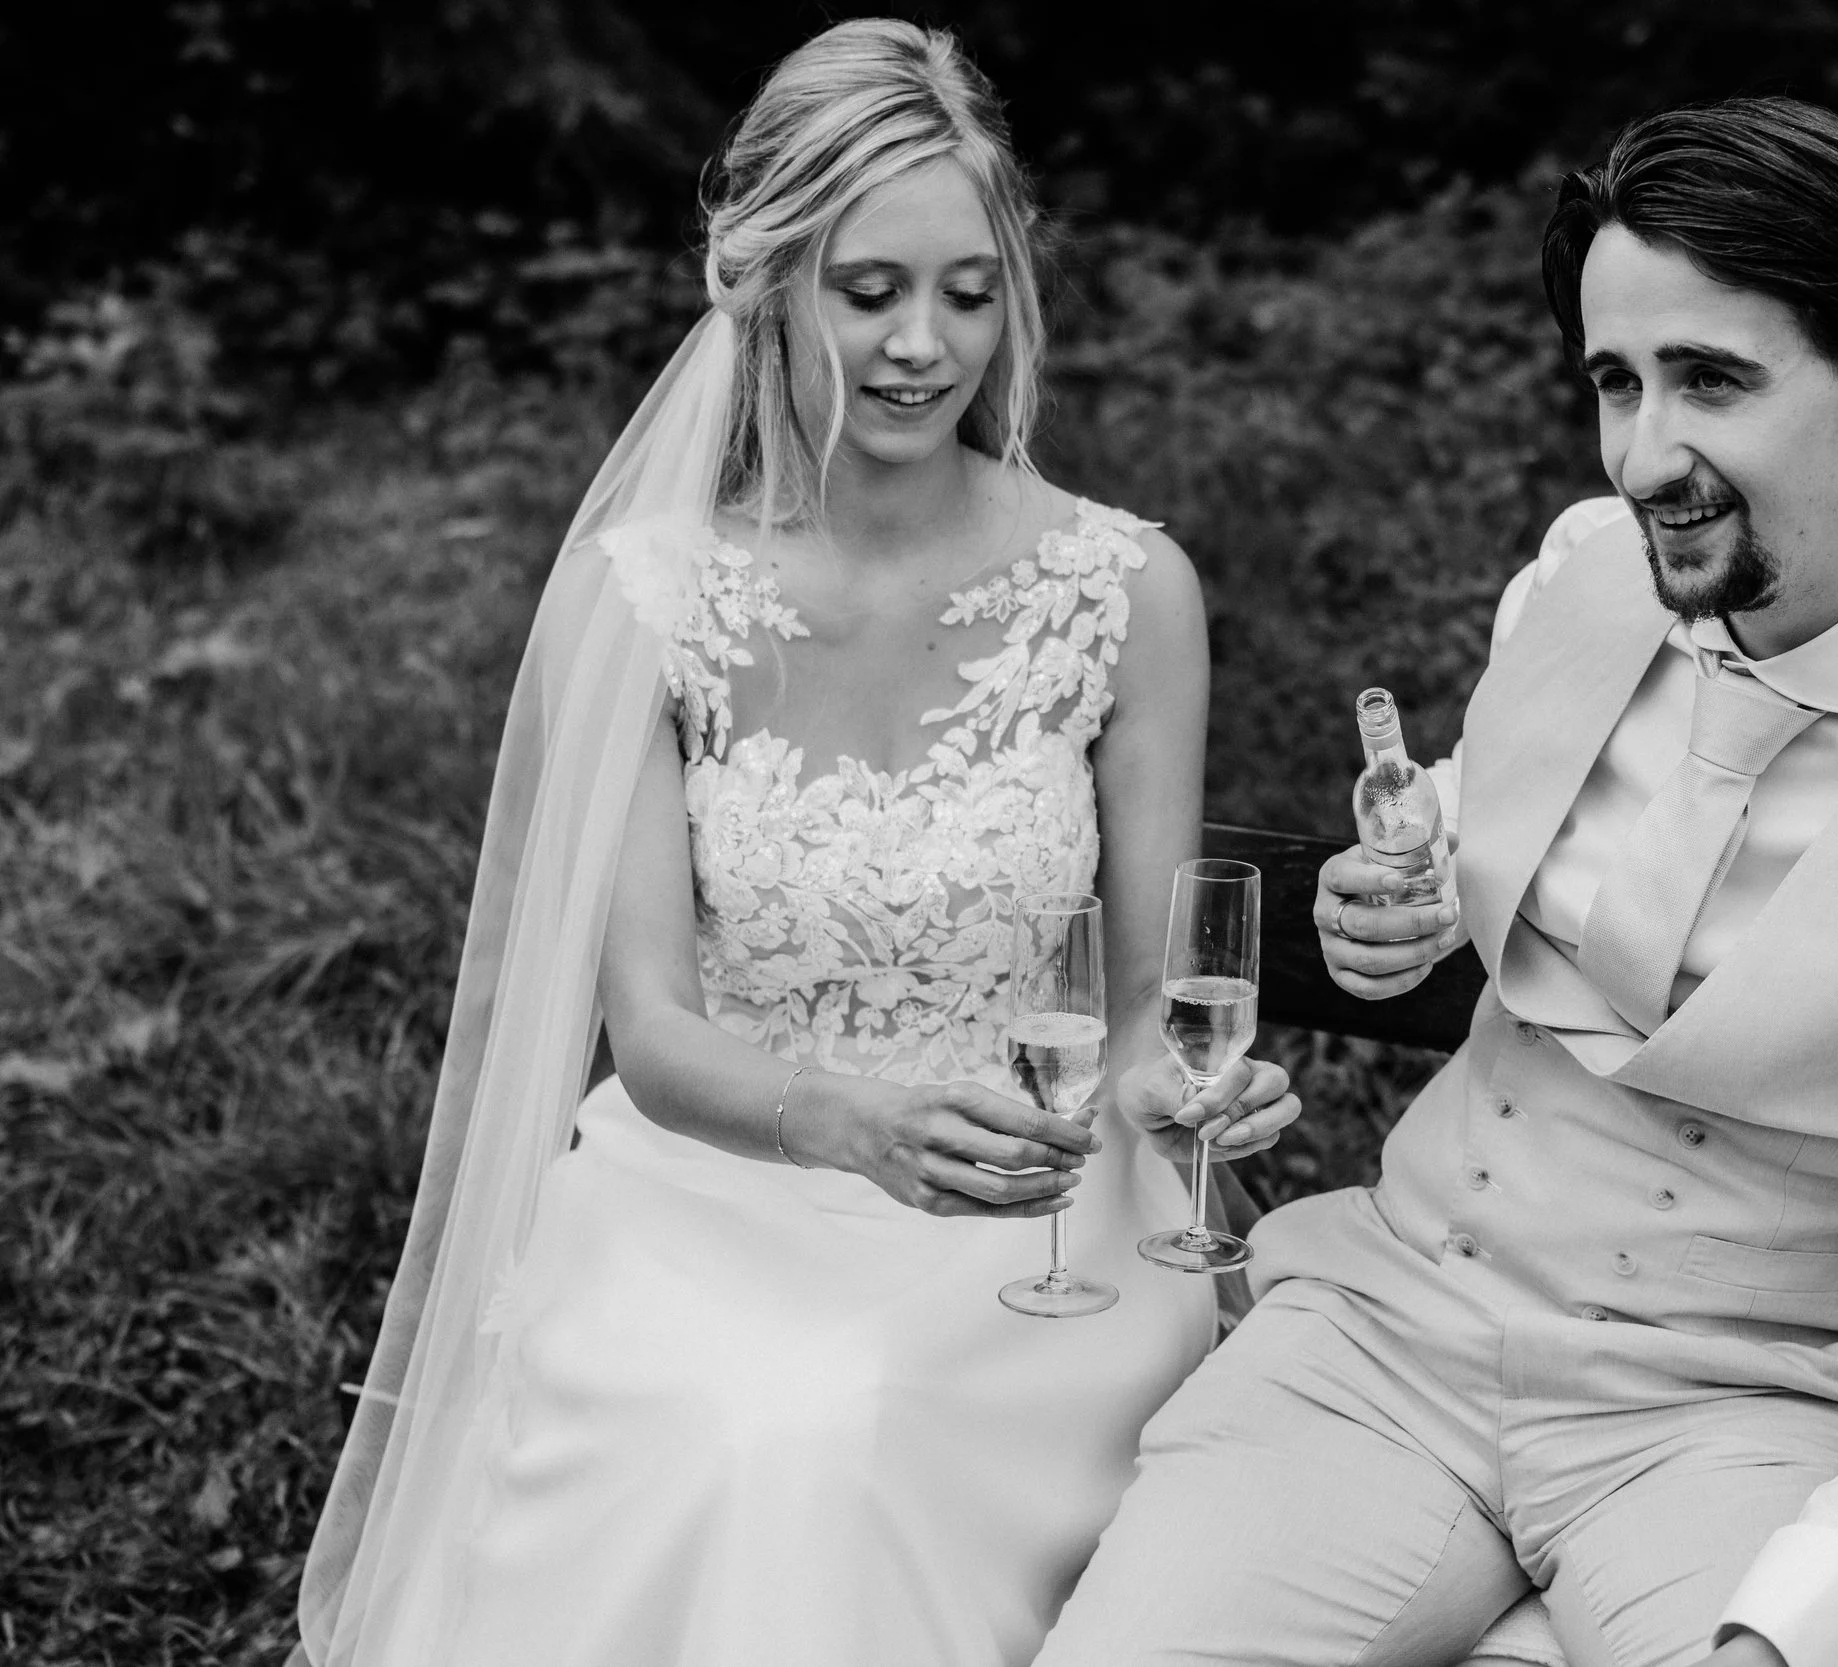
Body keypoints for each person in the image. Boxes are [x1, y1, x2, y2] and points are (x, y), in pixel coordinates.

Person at [1036, 97, 1838, 1667]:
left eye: (1711, 379)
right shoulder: (1580, 575)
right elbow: (1483, 806)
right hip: (1393, 1340)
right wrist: (1405, 890)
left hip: (1742, 1419)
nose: (1648, 454)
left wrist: (1789, 1625)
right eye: (1614, 383)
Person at [290, 20, 1298, 1667]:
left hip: (1032, 1217)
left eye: (969, 292)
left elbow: (1142, 1012)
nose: (923, 346)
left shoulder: (1124, 593)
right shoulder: (649, 599)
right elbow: (658, 1036)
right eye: (870, 290)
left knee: (858, 1427)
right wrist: (850, 1124)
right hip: (722, 1188)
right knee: (769, 1431)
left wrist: (1180, 1094)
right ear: (768, 287)